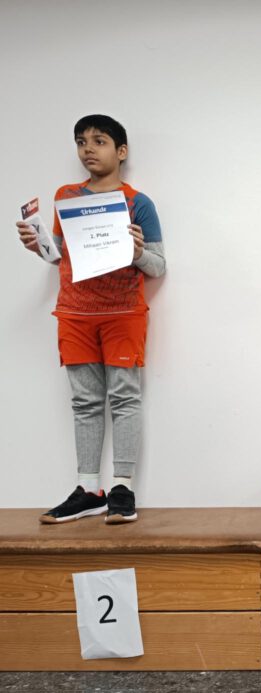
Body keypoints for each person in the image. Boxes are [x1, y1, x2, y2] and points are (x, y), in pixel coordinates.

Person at [15, 115, 165, 524]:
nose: (88, 149)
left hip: (123, 314)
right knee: (84, 402)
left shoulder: (138, 202)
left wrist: (137, 252)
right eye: (81, 142)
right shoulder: (66, 196)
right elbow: (59, 256)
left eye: (99, 141)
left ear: (121, 151)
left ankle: (122, 488)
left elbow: (159, 266)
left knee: (125, 398)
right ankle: (88, 490)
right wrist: (37, 245)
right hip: (75, 313)